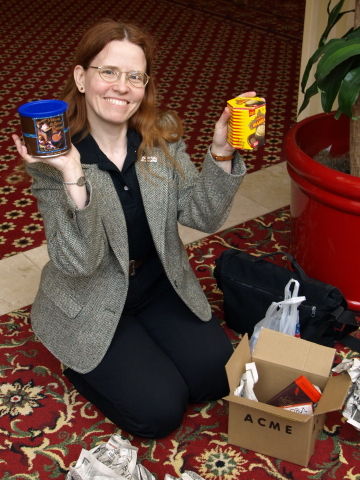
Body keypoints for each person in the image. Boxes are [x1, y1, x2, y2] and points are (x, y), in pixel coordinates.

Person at [13, 18, 253, 439]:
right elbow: (78, 263)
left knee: (217, 378)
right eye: (108, 71)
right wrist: (72, 174)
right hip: (92, 295)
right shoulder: (54, 160)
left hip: (157, 285)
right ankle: (82, 359)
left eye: (134, 76)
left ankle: (145, 345)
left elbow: (202, 215)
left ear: (145, 85)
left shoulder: (160, 137)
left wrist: (220, 151)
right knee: (158, 413)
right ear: (81, 78)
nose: (121, 86)